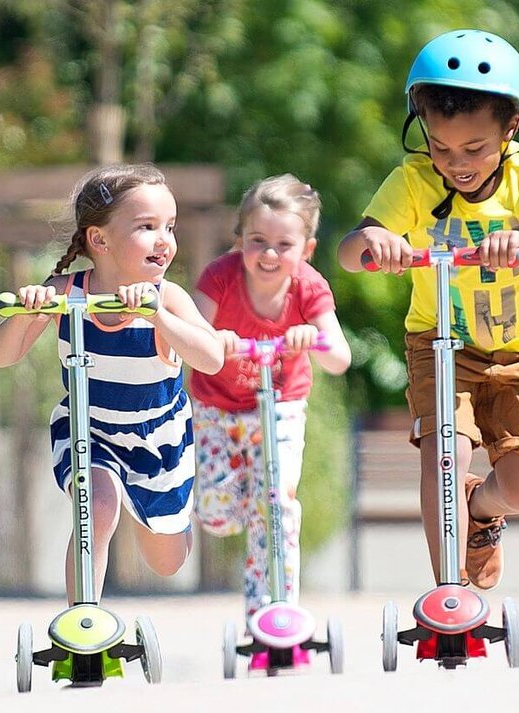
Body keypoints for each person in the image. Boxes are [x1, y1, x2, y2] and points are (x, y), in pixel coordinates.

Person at [337, 29, 519, 590]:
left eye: (474, 149)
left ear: (510, 128)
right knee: (442, 456)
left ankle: (481, 511)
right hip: (439, 344)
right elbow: (349, 253)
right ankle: (448, 594)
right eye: (440, 146)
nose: (456, 163)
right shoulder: (412, 180)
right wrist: (376, 245)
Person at [0, 164, 224, 602]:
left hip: (158, 440)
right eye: (147, 227)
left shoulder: (167, 297)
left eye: (169, 227)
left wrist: (158, 316)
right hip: (89, 431)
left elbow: (211, 358)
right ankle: (83, 621)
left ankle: (163, 516)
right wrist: (36, 309)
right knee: (96, 506)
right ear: (99, 239)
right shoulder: (67, 292)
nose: (164, 240)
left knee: (167, 561)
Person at [190, 174, 352, 618]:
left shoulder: (309, 287)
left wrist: (312, 336)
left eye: (284, 244)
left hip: (279, 409)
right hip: (216, 409)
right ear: (239, 240)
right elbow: (191, 338)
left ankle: (274, 608)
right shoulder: (219, 278)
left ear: (306, 250)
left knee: (277, 505)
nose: (269, 254)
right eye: (258, 241)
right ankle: (236, 498)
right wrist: (212, 340)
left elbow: (340, 357)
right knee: (218, 516)